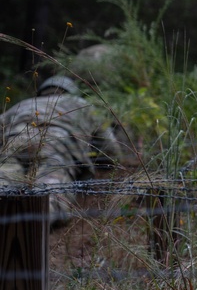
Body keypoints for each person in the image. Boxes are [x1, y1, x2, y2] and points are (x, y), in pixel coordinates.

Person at [0, 75, 122, 223]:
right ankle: (32, 223)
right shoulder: (82, 104)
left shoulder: (22, 104)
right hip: (56, 146)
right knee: (48, 197)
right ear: (70, 91)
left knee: (3, 183)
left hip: (14, 142)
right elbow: (111, 150)